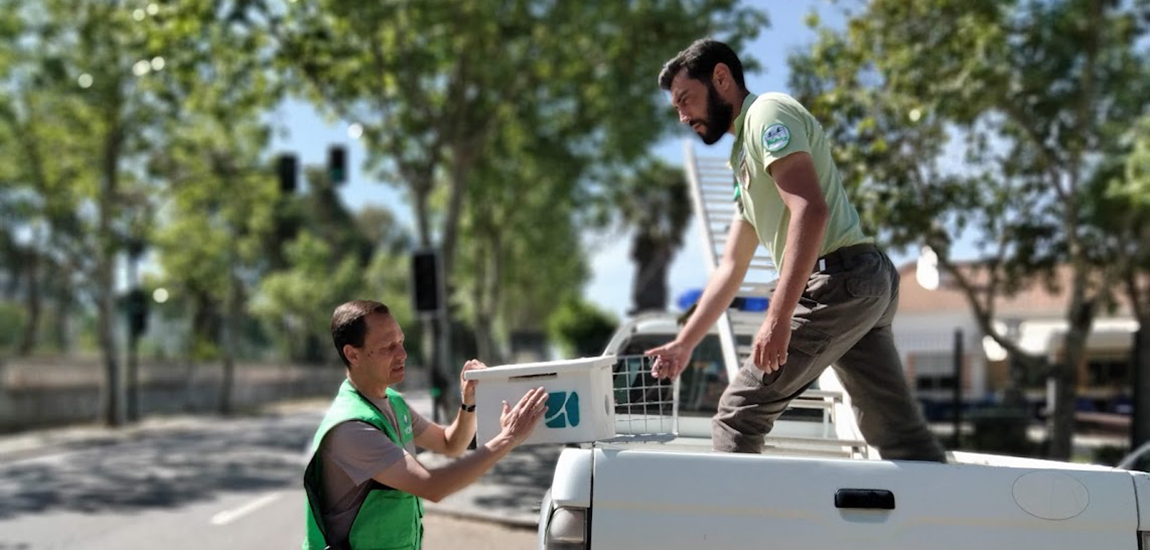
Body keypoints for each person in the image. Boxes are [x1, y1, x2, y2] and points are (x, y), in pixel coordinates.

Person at [646, 39, 946, 462]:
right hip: (860, 281)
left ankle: (741, 529)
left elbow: (811, 209)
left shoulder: (767, 113)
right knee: (899, 435)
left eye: (685, 100)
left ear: (721, 78)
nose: (682, 116)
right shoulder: (742, 158)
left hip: (838, 281)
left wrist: (778, 317)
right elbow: (732, 267)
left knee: (738, 415)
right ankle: (938, 522)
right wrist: (684, 344)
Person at [303, 300, 548, 549]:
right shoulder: (351, 428)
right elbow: (432, 485)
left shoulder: (393, 402)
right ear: (352, 354)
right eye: (388, 347)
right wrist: (508, 438)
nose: (402, 354)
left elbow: (449, 444)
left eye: (401, 342)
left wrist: (468, 403)